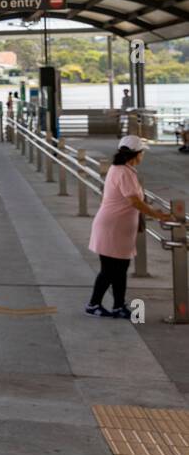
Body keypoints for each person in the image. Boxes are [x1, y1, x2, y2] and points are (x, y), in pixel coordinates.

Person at [85, 135, 172, 318]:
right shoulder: (124, 172)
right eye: (142, 153)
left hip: (117, 226)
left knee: (120, 269)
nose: (143, 156)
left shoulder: (120, 169)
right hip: (113, 227)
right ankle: (93, 305)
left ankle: (118, 305)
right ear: (137, 154)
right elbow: (134, 201)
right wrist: (156, 215)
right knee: (109, 271)